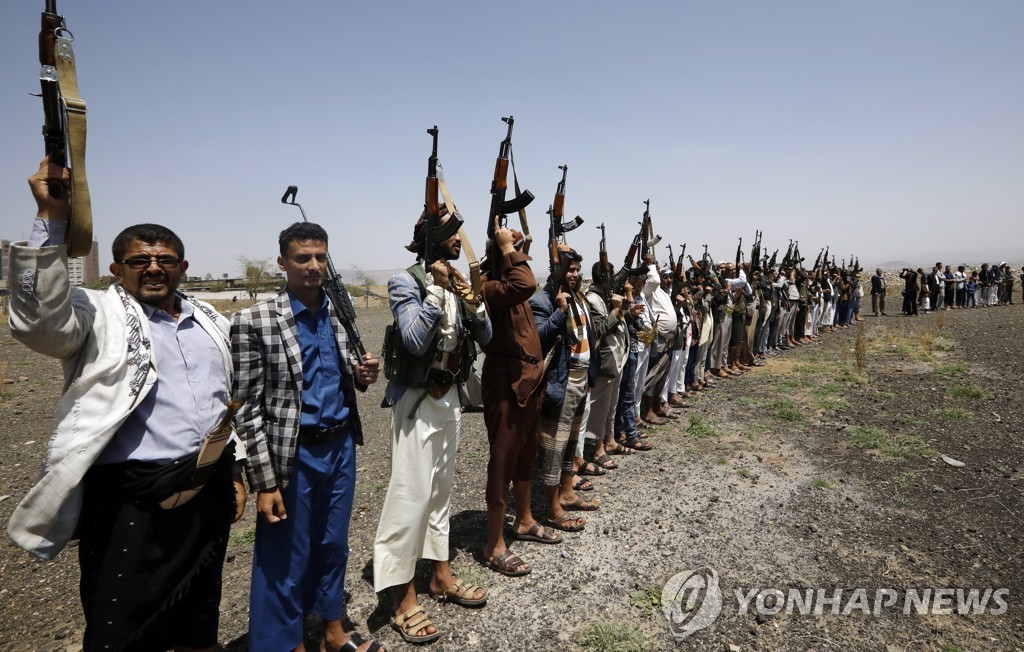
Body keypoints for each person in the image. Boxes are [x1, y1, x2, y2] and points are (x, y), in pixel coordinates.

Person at [8, 157, 247, 652]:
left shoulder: (209, 318)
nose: (154, 268)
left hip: (206, 486)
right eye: (140, 261)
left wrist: (236, 471)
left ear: (183, 266)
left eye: (166, 261)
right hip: (130, 499)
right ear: (118, 269)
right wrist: (51, 218)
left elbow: (227, 401)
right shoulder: (97, 313)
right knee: (121, 621)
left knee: (199, 607)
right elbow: (38, 322)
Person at [231, 222, 383, 652]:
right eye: (302, 258)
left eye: (320, 257)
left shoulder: (339, 308)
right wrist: (264, 481)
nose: (313, 266)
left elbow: (347, 373)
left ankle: (333, 633)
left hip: (339, 449)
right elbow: (246, 407)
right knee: (285, 556)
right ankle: (285, 642)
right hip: (291, 456)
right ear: (283, 263)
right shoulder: (253, 321)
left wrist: (362, 374)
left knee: (334, 545)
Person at [373, 211, 492, 644]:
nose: (461, 242)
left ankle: (440, 575)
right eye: (453, 235)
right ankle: (401, 596)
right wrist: (437, 290)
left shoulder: (457, 281)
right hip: (417, 400)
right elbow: (413, 341)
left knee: (440, 494)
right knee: (409, 498)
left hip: (450, 401)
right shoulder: (405, 281)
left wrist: (471, 299)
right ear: (432, 240)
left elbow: (487, 337)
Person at [479, 221, 548, 577]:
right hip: (506, 384)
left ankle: (523, 519)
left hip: (528, 382)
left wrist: (512, 244)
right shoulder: (490, 287)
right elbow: (526, 282)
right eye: (511, 249)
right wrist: (506, 245)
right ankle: (494, 543)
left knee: (526, 452)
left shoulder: (510, 288)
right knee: (503, 459)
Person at [530, 250, 599, 533]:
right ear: (556, 271)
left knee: (571, 441)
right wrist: (559, 311)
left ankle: (568, 493)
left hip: (580, 380)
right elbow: (538, 339)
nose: (575, 274)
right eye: (570, 269)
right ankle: (552, 507)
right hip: (561, 381)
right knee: (553, 446)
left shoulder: (579, 298)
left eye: (578, 269)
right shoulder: (542, 301)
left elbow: (588, 336)